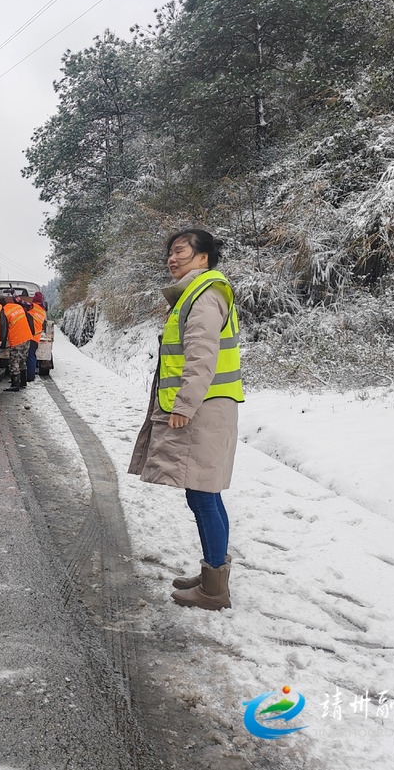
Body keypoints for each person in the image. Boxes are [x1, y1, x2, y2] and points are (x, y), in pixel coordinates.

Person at [128, 229, 243, 610]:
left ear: (203, 257)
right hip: (210, 406)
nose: (171, 259)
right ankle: (213, 572)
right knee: (205, 492)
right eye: (169, 254)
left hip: (203, 409)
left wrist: (183, 405)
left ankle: (214, 590)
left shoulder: (205, 295)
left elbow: (202, 355)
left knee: (203, 495)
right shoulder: (198, 293)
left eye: (180, 251)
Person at [1, 293, 34, 392]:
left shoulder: (5, 312)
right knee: (22, 360)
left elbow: (4, 329)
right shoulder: (17, 307)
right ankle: (23, 382)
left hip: (17, 339)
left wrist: (2, 344)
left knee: (14, 361)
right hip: (27, 337)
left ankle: (15, 385)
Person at [26, 291, 47, 382]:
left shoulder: (32, 307)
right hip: (36, 337)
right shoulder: (42, 310)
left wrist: (14, 295)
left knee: (29, 356)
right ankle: (31, 375)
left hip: (30, 336)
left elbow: (21, 303)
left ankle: (30, 377)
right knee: (32, 356)